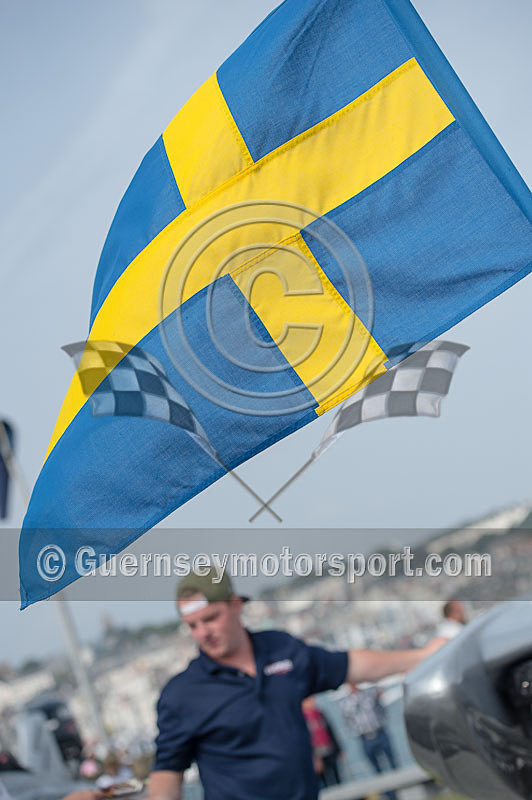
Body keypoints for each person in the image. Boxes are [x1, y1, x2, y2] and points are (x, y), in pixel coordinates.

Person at [146, 568, 445, 800]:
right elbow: (167, 771)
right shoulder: (181, 695)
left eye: (210, 618)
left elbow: (349, 665)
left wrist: (420, 656)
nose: (203, 633)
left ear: (236, 605)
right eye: (193, 626)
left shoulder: (281, 649)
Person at [338, 685, 398, 800]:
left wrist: (382, 721)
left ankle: (398, 793)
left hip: (379, 732)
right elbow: (347, 720)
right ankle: (389, 796)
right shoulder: (346, 703)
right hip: (364, 738)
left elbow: (381, 708)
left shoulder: (370, 694)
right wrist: (356, 731)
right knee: (376, 770)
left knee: (393, 764)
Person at [302, 696, 343, 788]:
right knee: (323, 782)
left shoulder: (320, 713)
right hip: (316, 755)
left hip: (329, 750)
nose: (312, 702)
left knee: (337, 778)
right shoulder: (301, 719)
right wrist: (313, 757)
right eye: (309, 700)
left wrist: (339, 749)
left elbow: (330, 731)